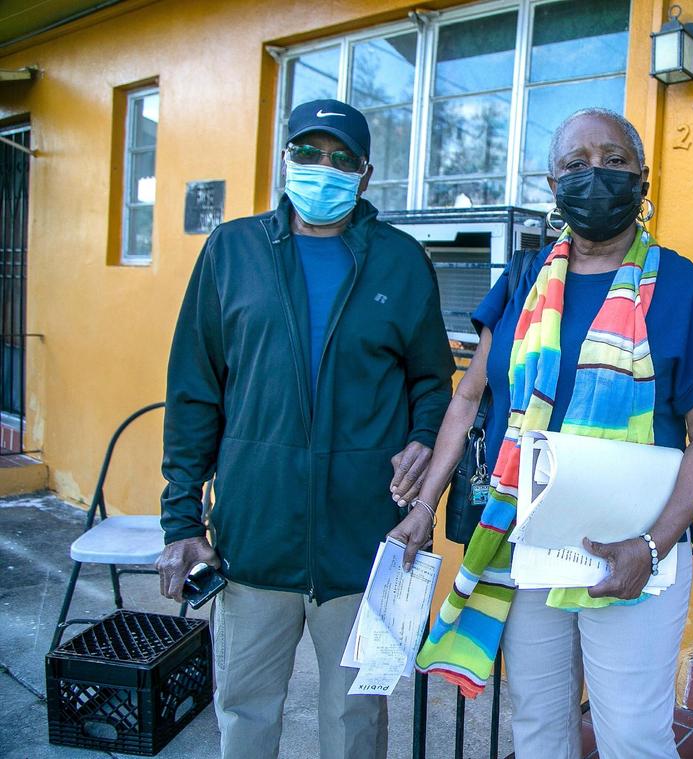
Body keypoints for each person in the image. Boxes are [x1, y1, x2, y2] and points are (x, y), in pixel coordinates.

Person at [390, 108, 693, 758]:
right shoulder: (524, 281)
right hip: (530, 546)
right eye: (575, 164)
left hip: (636, 551)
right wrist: (423, 504)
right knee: (538, 724)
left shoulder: (680, 288)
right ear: (552, 182)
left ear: (643, 178)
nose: (595, 175)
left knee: (631, 736)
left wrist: (653, 541)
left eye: (614, 160)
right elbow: (469, 395)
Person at [156, 98, 454, 759]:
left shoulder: (401, 262)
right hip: (253, 539)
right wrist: (180, 519)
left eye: (341, 158)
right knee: (246, 716)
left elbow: (434, 381)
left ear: (366, 175)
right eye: (308, 153)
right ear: (284, 160)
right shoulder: (232, 251)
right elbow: (194, 391)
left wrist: (425, 437)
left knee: (356, 725)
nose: (323, 168)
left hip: (362, 543)